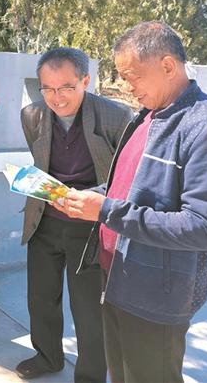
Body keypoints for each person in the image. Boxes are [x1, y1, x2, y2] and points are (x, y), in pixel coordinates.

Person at [56, 22, 207, 383]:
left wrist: (105, 211)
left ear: (168, 66)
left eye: (132, 76)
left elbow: (202, 227)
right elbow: (131, 187)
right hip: (118, 279)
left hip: (157, 297)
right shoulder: (149, 115)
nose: (127, 86)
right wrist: (91, 197)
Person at [17, 48, 132, 382]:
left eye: (66, 87)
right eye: (48, 89)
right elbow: (42, 162)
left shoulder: (116, 117)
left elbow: (126, 177)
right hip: (45, 220)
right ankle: (47, 356)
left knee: (89, 308)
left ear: (85, 81)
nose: (57, 98)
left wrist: (90, 197)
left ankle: (91, 375)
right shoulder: (32, 115)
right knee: (41, 297)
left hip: (90, 224)